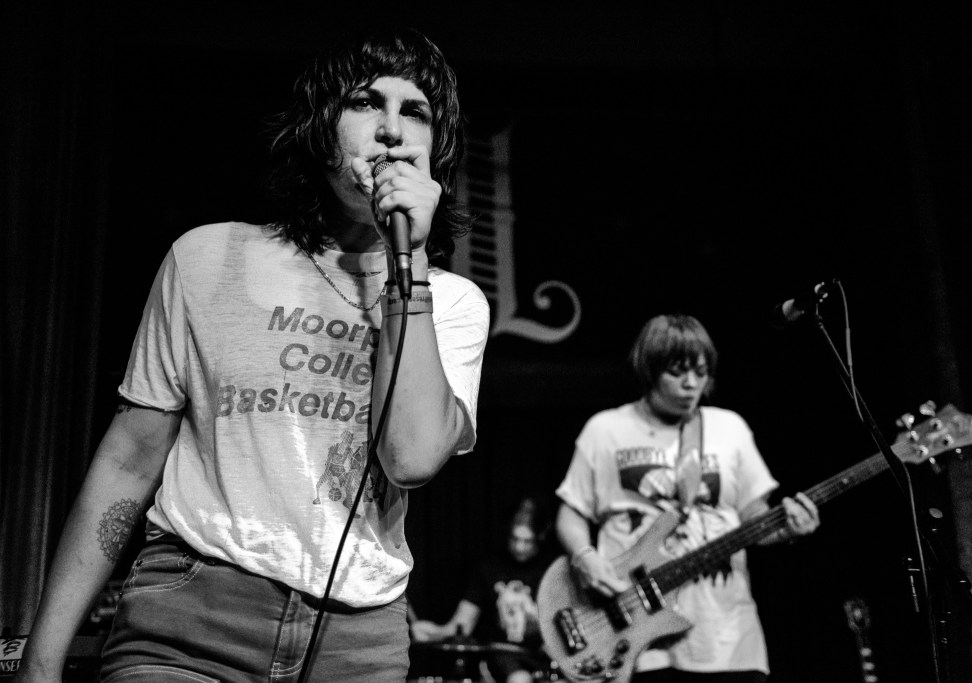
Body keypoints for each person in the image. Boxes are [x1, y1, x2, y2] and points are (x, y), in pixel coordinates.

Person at [16, 28, 489, 682]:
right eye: (364, 102)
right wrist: (41, 658)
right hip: (192, 616)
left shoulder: (454, 303)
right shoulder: (208, 258)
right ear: (320, 127)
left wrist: (403, 259)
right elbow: (129, 458)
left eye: (415, 112)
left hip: (356, 644)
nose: (390, 129)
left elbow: (408, 457)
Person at [554, 314, 819, 683]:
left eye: (701, 371)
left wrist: (788, 529)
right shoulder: (606, 429)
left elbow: (754, 515)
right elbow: (571, 512)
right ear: (649, 370)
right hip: (638, 639)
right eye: (677, 372)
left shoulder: (730, 428)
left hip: (728, 638)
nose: (692, 383)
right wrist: (585, 558)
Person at [411, 498, 554, 683]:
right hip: (504, 655)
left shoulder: (552, 570)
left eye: (527, 541)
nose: (520, 547)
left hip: (544, 654)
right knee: (520, 679)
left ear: (541, 536)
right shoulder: (489, 568)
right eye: (515, 539)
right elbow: (462, 625)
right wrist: (432, 633)